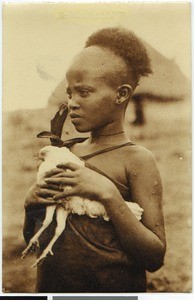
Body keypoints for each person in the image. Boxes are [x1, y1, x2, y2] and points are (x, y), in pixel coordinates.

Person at [23, 27, 166, 292]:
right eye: (70, 93)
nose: (72, 103)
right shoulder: (66, 154)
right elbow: (35, 239)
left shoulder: (137, 161)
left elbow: (155, 256)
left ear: (121, 94)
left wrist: (108, 194)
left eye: (84, 92)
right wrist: (31, 204)